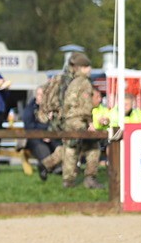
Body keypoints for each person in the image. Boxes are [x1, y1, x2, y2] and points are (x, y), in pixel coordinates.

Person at [39, 52, 100, 189]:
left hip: (65, 119)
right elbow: (85, 106)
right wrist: (90, 122)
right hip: (77, 120)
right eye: (87, 67)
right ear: (81, 67)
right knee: (90, 147)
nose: (90, 70)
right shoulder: (82, 82)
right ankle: (89, 178)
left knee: (70, 147)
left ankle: (63, 177)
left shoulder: (64, 80)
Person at [20, 86, 59, 180]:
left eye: (43, 95)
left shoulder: (51, 109)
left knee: (59, 146)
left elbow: (57, 125)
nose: (41, 97)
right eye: (39, 94)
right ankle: (47, 167)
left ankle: (59, 168)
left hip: (51, 136)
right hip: (35, 138)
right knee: (43, 150)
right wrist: (43, 132)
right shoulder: (30, 109)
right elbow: (29, 126)